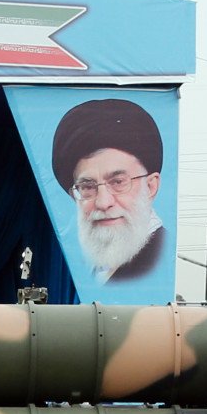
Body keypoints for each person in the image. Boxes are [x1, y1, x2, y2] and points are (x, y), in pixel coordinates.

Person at [50, 98, 166, 283]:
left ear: (151, 186)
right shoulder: (92, 266)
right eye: (88, 187)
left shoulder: (160, 261)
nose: (103, 203)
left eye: (118, 182)